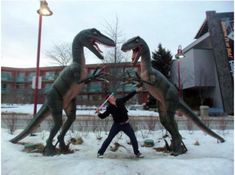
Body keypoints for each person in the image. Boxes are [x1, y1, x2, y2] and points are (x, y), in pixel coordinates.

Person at [95, 88, 144, 158]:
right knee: (109, 139)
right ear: (109, 99)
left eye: (113, 96)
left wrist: (135, 91)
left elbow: (128, 96)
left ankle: (137, 153)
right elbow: (103, 116)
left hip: (126, 124)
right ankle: (100, 153)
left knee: (133, 138)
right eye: (111, 96)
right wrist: (98, 112)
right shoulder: (109, 108)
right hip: (116, 125)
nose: (113, 96)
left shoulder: (120, 101)